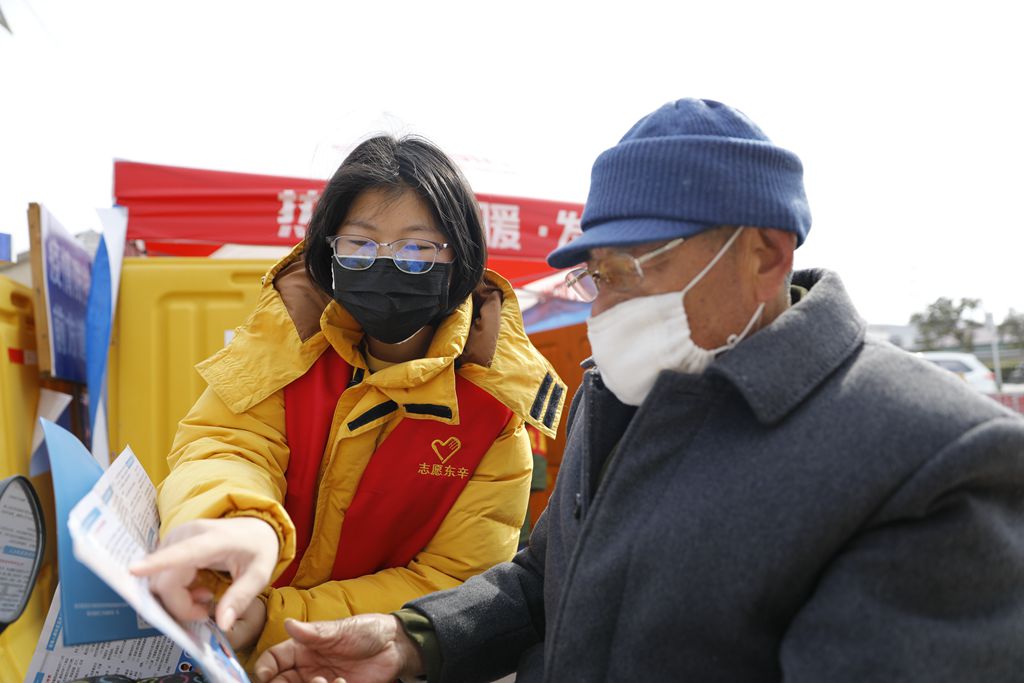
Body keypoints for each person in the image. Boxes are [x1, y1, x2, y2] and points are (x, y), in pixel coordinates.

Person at [252, 99, 1024, 682]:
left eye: (634, 269)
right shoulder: (620, 393)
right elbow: (546, 582)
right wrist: (413, 638)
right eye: (597, 275)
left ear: (764, 253)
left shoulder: (930, 456)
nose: (608, 309)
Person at [130, 135, 567, 664]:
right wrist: (242, 523)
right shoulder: (288, 340)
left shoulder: (494, 412)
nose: (386, 265)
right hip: (227, 649)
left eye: (416, 249)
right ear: (329, 251)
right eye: (360, 245)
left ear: (460, 257)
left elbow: (453, 583)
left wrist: (273, 619)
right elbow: (227, 444)